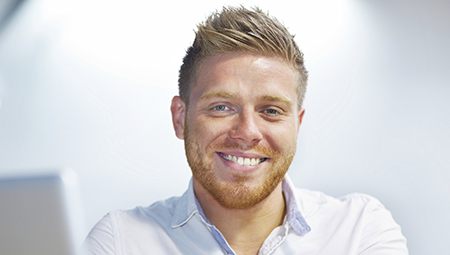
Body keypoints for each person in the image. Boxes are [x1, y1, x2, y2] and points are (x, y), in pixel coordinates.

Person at [84, 6, 408, 255]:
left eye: (271, 111)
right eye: (222, 107)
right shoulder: (121, 241)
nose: (247, 131)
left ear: (297, 123)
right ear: (180, 118)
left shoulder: (359, 230)